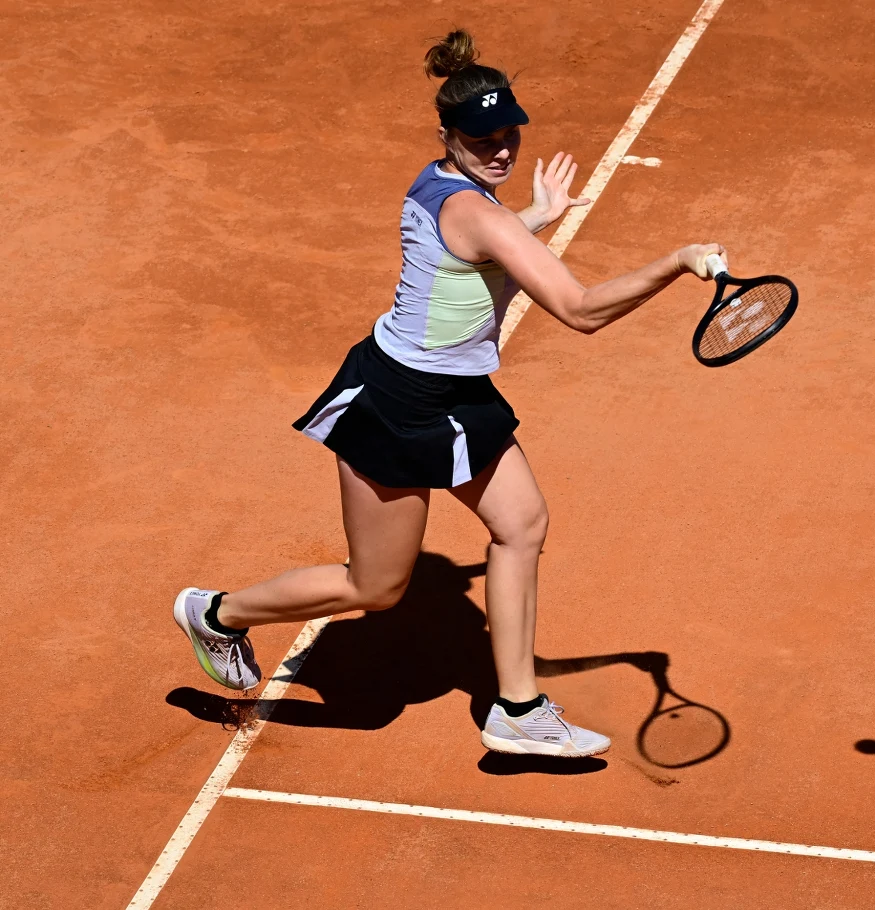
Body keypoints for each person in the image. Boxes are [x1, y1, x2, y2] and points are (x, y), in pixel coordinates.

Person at [173, 28, 724, 758]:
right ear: (448, 134)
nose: (501, 148)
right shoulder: (478, 212)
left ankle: (518, 709)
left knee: (521, 524)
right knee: (376, 589)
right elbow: (581, 310)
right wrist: (678, 260)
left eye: (509, 132)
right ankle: (216, 612)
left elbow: (468, 255)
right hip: (396, 403)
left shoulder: (446, 189)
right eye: (482, 137)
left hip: (457, 395)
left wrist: (532, 219)